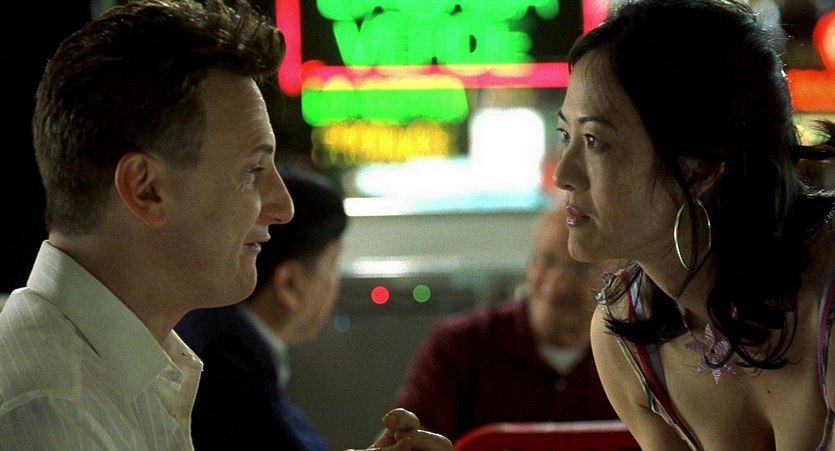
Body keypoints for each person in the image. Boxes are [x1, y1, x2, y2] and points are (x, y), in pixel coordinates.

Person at [0, 1, 451, 450]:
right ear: (146, 188)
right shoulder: (52, 410)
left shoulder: (124, 367)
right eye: (252, 171)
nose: (283, 207)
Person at [553, 0, 835, 450]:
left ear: (700, 167)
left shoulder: (825, 303)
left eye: (594, 141)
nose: (563, 174)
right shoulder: (626, 336)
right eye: (565, 135)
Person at [395, 202, 618, 442]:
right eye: (547, 260)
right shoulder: (458, 345)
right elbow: (411, 437)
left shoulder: (630, 358)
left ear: (615, 280)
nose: (557, 280)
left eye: (580, 268)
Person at [176, 166, 347, 450]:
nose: (334, 284)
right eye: (332, 265)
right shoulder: (232, 378)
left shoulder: (217, 337)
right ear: (289, 284)